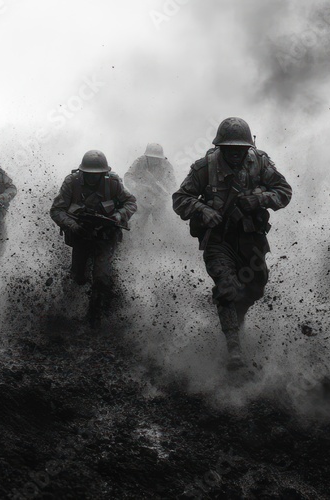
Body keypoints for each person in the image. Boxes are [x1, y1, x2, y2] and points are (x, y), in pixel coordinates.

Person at [172, 117, 292, 371]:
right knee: (227, 286)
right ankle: (234, 350)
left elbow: (284, 192)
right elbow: (180, 199)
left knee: (256, 287)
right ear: (221, 147)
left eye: (241, 149)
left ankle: (234, 315)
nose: (236, 154)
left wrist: (259, 200)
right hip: (218, 240)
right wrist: (202, 209)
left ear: (248, 147)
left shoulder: (259, 163)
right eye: (230, 149)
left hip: (251, 239)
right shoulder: (204, 167)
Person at [50, 150, 137, 326]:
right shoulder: (71, 182)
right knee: (78, 276)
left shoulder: (113, 182)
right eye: (89, 174)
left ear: (104, 173)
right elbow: (56, 210)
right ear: (82, 172)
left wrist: (119, 216)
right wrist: (73, 225)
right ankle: (67, 306)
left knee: (101, 276)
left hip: (106, 236)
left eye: (96, 175)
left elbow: (131, 203)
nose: (92, 178)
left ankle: (95, 316)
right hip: (81, 235)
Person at [125, 143, 176, 230]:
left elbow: (172, 183)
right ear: (147, 156)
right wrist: (137, 187)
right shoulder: (139, 162)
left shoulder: (166, 164)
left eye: (157, 158)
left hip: (159, 198)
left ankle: (160, 241)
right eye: (152, 158)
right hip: (142, 198)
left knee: (161, 226)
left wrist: (165, 190)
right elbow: (128, 177)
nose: (155, 160)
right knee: (137, 225)